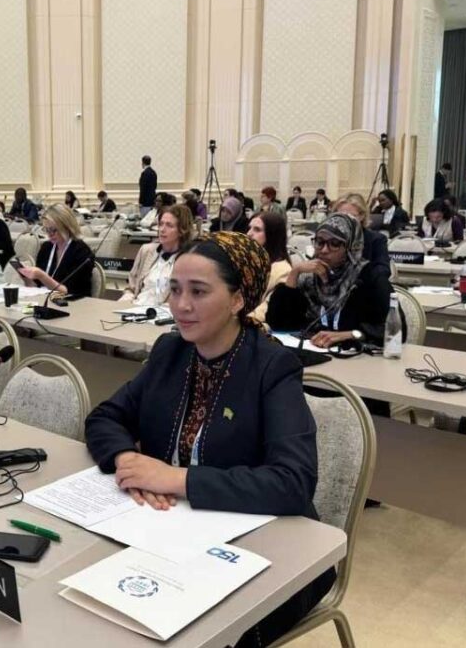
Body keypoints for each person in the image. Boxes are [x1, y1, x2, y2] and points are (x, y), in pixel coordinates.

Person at [85, 231, 335, 645]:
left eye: (198, 292)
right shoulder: (170, 352)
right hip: (174, 532)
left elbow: (293, 482)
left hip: (271, 548)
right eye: (175, 289)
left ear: (237, 300)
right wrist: (127, 459)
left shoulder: (272, 367)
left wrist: (175, 479)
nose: (181, 305)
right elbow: (105, 417)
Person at [267, 213, 395, 351]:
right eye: (319, 242)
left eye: (335, 244)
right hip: (312, 353)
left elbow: (395, 330)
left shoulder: (369, 278)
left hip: (354, 359)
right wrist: (294, 273)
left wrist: (351, 334)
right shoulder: (308, 278)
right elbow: (278, 324)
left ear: (351, 247)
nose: (324, 250)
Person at [119, 204, 193, 306]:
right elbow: (131, 288)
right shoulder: (146, 250)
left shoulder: (188, 261)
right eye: (161, 224)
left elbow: (184, 299)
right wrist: (125, 301)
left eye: (169, 225)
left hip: (164, 311)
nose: (162, 229)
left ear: (182, 230)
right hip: (135, 306)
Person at [19, 203, 94, 297]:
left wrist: (42, 276)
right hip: (46, 300)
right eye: (46, 230)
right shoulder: (46, 248)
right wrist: (26, 277)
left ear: (67, 227)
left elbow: (68, 291)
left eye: (53, 230)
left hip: (74, 302)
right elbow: (37, 287)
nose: (50, 234)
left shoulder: (82, 252)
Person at [246, 210, 291, 322]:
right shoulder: (248, 261)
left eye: (257, 230)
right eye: (249, 228)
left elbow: (266, 311)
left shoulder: (283, 271)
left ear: (272, 235)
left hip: (255, 324)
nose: (249, 234)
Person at [336, 195, 390, 271]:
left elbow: (382, 270)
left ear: (362, 216)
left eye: (351, 216)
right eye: (341, 216)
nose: (346, 220)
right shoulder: (328, 238)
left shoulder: (377, 239)